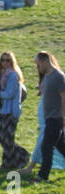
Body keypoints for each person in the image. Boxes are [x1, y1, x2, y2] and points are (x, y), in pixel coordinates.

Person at [0, 51, 31, 172]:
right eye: (3, 60)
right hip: (3, 109)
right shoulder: (3, 75)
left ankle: (9, 163)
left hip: (11, 110)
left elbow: (10, 94)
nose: (5, 63)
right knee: (1, 136)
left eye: (8, 60)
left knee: (7, 138)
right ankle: (18, 157)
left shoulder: (13, 75)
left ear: (12, 62)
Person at [31, 52, 65, 184]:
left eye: (38, 64)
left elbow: (64, 97)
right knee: (61, 146)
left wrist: (63, 117)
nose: (37, 67)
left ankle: (42, 176)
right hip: (49, 117)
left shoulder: (58, 76)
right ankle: (42, 176)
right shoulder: (47, 77)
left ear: (45, 61)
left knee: (47, 147)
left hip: (56, 118)